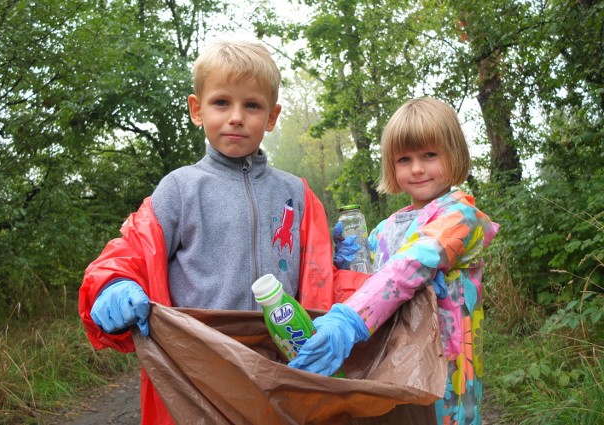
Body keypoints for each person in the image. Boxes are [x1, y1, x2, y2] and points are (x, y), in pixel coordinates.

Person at [78, 40, 367, 425]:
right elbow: (132, 250)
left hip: (283, 367)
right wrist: (111, 284)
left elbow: (316, 279)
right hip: (199, 370)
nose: (236, 117)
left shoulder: (296, 193)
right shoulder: (179, 189)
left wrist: (348, 273)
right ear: (197, 109)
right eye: (221, 103)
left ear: (272, 116)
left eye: (251, 105)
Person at [289, 97, 499, 424]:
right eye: (404, 159)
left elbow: (410, 266)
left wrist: (349, 321)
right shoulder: (387, 227)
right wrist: (342, 260)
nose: (416, 168)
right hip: (399, 360)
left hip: (449, 366)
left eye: (429, 155)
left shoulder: (461, 216)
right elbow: (366, 280)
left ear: (453, 154)